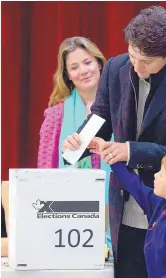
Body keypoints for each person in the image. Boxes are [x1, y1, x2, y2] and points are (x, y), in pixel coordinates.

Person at [61, 6, 166, 278]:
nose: (135, 65)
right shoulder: (115, 67)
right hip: (125, 208)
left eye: (145, 61)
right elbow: (102, 116)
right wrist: (79, 143)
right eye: (132, 54)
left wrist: (131, 151)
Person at [37, 36, 113, 260]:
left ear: (99, 63)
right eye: (74, 67)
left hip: (120, 218)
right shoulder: (54, 116)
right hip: (67, 224)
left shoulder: (123, 109)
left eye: (88, 62)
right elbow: (44, 173)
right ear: (67, 74)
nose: (83, 71)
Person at [91, 137, 166, 277]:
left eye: (161, 174)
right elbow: (135, 185)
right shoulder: (162, 205)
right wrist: (108, 153)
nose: (155, 175)